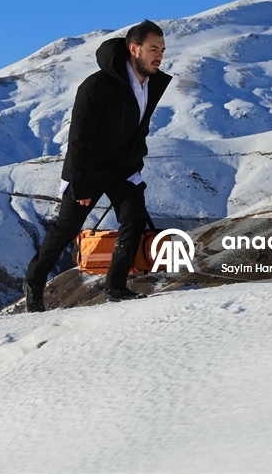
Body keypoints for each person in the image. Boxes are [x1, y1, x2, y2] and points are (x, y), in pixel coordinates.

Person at [25, 20, 171, 311]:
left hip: (122, 170)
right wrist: (79, 182)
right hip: (87, 171)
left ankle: (115, 287)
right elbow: (79, 137)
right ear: (134, 49)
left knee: (134, 219)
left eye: (163, 50)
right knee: (65, 232)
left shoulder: (152, 84)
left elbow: (137, 129)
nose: (160, 55)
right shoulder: (97, 84)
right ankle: (34, 284)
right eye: (153, 49)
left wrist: (135, 161)